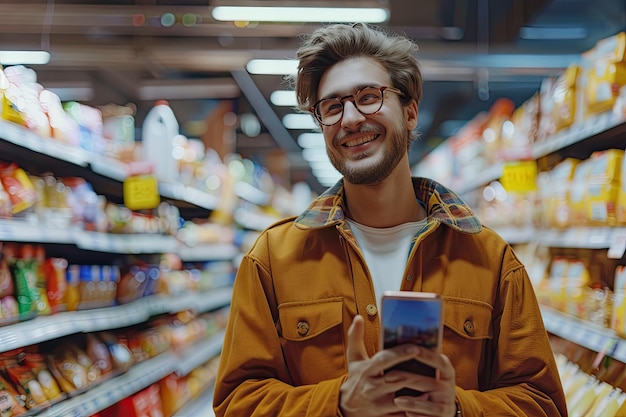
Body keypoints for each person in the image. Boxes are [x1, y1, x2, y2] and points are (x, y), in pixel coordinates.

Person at [213, 22, 567, 417]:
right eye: (332, 107)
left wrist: (459, 409)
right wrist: (339, 404)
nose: (350, 118)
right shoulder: (272, 260)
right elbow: (237, 402)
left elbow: (543, 403)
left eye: (369, 97)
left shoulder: (490, 258)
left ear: (411, 111)